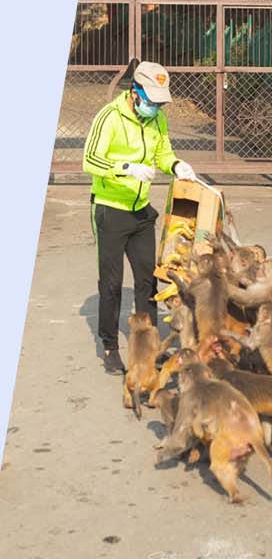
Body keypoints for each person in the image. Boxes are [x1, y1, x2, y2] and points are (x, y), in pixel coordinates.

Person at [84, 61, 198, 372]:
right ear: (134, 92)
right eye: (152, 99)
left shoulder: (157, 120)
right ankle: (109, 346)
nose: (156, 106)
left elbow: (163, 153)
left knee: (147, 281)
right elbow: (89, 159)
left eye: (160, 101)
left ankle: (148, 344)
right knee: (111, 283)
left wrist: (176, 166)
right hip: (110, 209)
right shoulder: (109, 117)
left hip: (141, 211)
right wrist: (126, 167)